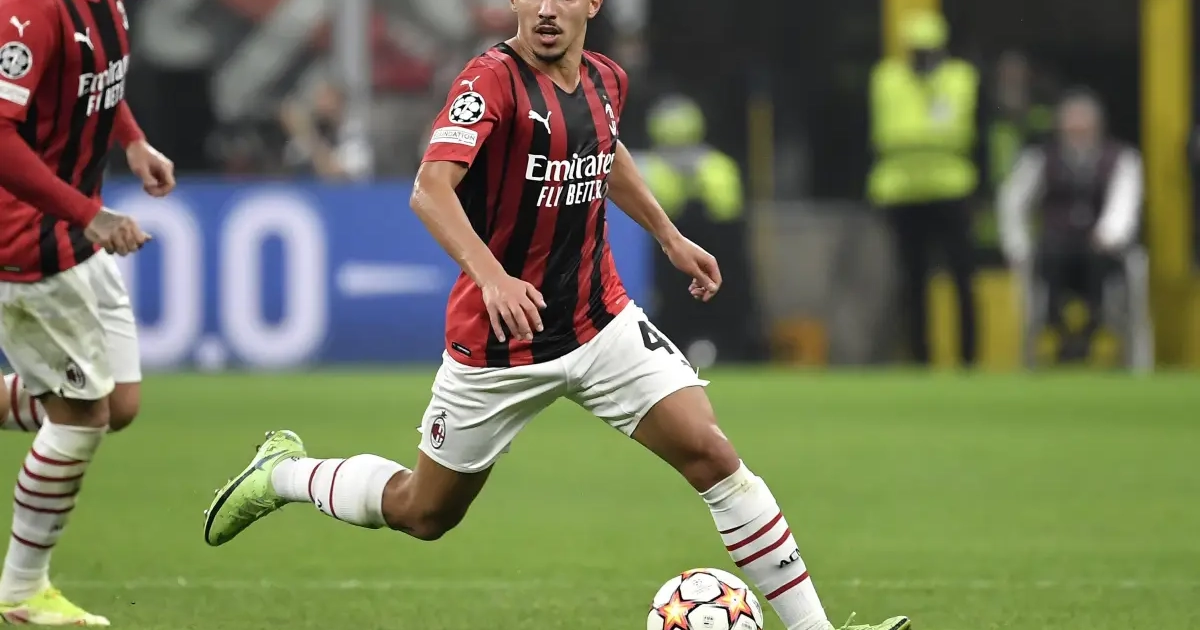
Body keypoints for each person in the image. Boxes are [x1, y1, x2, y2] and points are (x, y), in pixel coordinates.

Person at [203, 3, 909, 630]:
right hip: (501, 344)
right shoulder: (490, 82)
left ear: (591, 4)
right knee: (425, 511)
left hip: (600, 322)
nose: (546, 9)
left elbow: (605, 150)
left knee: (712, 454)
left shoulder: (607, 80)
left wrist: (668, 235)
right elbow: (429, 188)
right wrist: (493, 278)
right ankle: (283, 474)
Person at [0, 0, 172, 624]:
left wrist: (132, 139)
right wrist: (89, 214)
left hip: (73, 232)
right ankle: (22, 590)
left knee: (117, 403)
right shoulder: (26, 12)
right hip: (29, 239)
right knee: (81, 417)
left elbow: (94, 82)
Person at [998, 89, 1144, 364]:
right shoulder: (1040, 158)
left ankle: (1090, 330)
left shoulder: (1121, 159)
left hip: (1100, 253)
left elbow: (1124, 201)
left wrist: (1109, 234)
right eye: (1072, 124)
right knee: (1049, 260)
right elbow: (1012, 202)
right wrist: (1018, 245)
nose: (1077, 130)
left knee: (1101, 265)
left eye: (1084, 124)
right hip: (1056, 250)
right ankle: (1060, 330)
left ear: (1098, 125)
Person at [867, 9, 980, 366]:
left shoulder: (961, 78)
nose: (923, 59)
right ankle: (920, 357)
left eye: (929, 52)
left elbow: (965, 130)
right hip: (902, 192)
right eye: (917, 52)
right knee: (912, 280)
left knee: (962, 277)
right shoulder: (887, 78)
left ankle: (969, 358)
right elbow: (888, 131)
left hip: (951, 188)